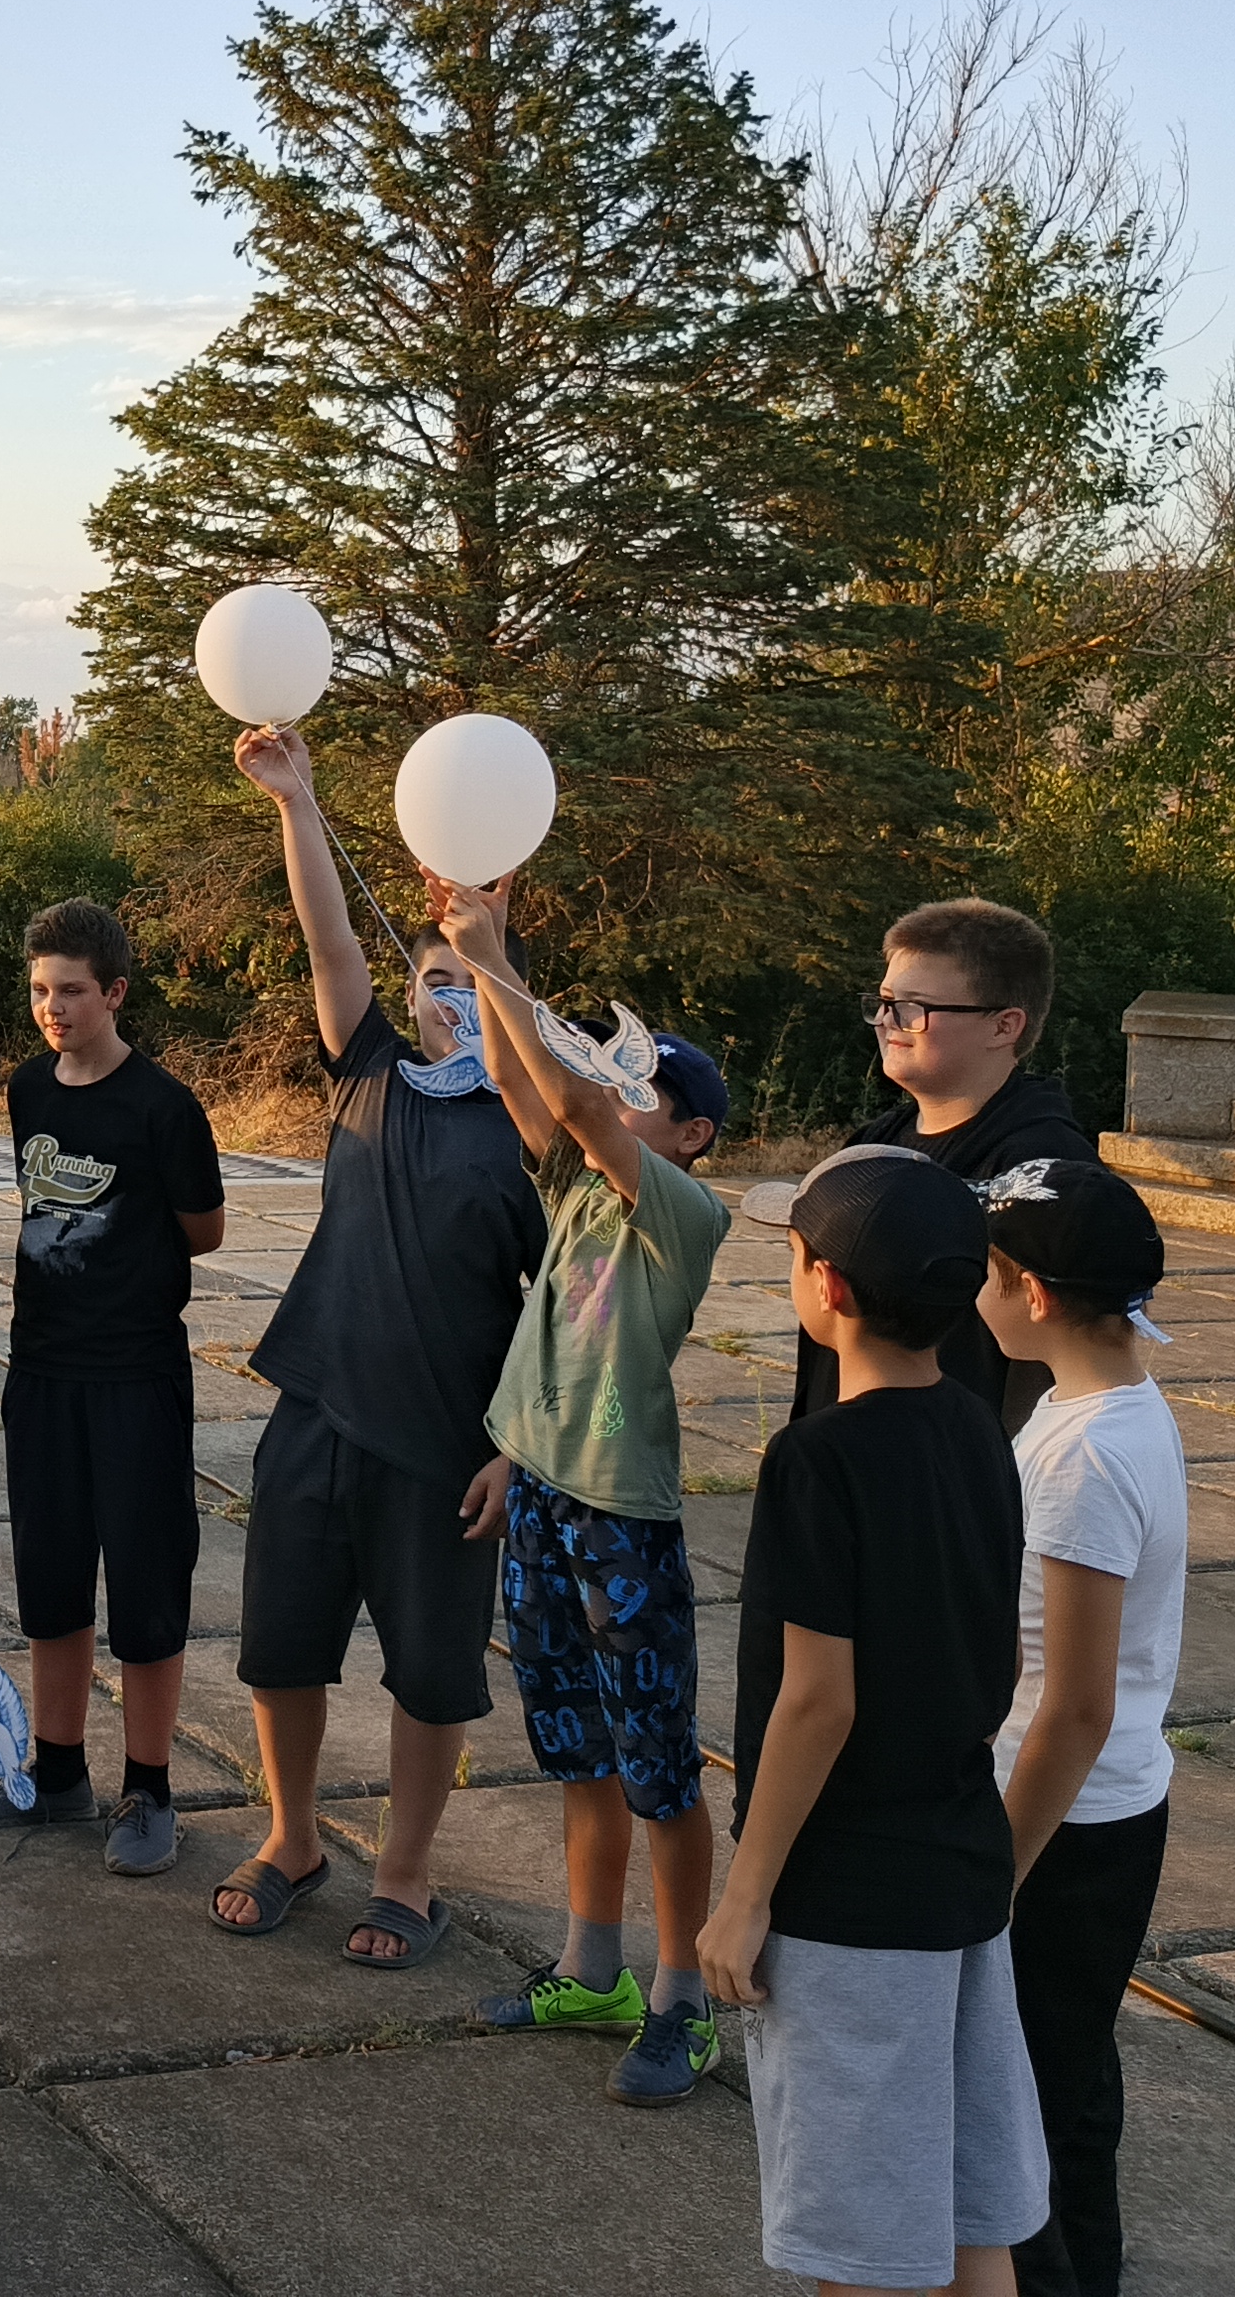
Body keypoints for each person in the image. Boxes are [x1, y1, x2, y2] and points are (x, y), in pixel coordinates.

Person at [211, 727, 544, 1967]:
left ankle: (404, 1873)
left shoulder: (535, 1130)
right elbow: (328, 941)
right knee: (278, 1651)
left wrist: (517, 1448)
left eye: (467, 982)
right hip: (316, 1413)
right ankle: (292, 1838)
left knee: (430, 1675)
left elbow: (564, 1313)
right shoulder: (370, 1073)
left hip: (447, 1446)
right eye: (432, 978)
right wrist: (295, 803)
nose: (443, 995)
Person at [705, 1147, 1047, 2297]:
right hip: (958, 1869)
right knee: (965, 2219)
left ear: (826, 1286)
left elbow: (816, 1699)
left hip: (845, 1902)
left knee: (856, 2248)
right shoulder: (979, 1431)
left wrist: (743, 1897)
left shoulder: (816, 1459)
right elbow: (1002, 1652)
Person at [441, 892, 734, 2106]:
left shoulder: (682, 1211)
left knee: (658, 1769)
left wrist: (492, 960)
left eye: (641, 1089)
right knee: (574, 1753)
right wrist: (482, 958)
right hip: (543, 1497)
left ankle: (682, 1999)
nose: (617, 1095)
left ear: (692, 1134)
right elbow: (529, 1091)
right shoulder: (576, 1187)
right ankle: (589, 1970)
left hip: (621, 1519)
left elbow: (571, 1102)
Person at [979, 1161, 1187, 2297]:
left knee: (1037, 2103)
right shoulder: (1108, 1407)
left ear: (1035, 1295)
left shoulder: (1085, 1458)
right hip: (1105, 1806)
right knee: (1065, 2073)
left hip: (1061, 1825)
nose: (975, 1292)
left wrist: (997, 1874)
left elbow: (1076, 1702)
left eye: (988, 1273)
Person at [1, 896, 225, 1875]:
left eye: (72, 991)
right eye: (40, 991)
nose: (53, 1008)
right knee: (50, 1583)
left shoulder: (164, 1108)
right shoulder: (26, 1090)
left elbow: (204, 1229)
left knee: (143, 1587)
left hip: (134, 1377)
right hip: (41, 1371)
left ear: (116, 993)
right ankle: (56, 1776)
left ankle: (148, 1788)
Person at [791, 898, 1099, 1435]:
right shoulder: (873, 1145)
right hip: (847, 1444)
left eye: (914, 1008)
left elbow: (1058, 1356)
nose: (887, 1022)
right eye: (884, 1002)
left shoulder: (1046, 1171)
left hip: (953, 1455)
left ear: (1004, 1026)